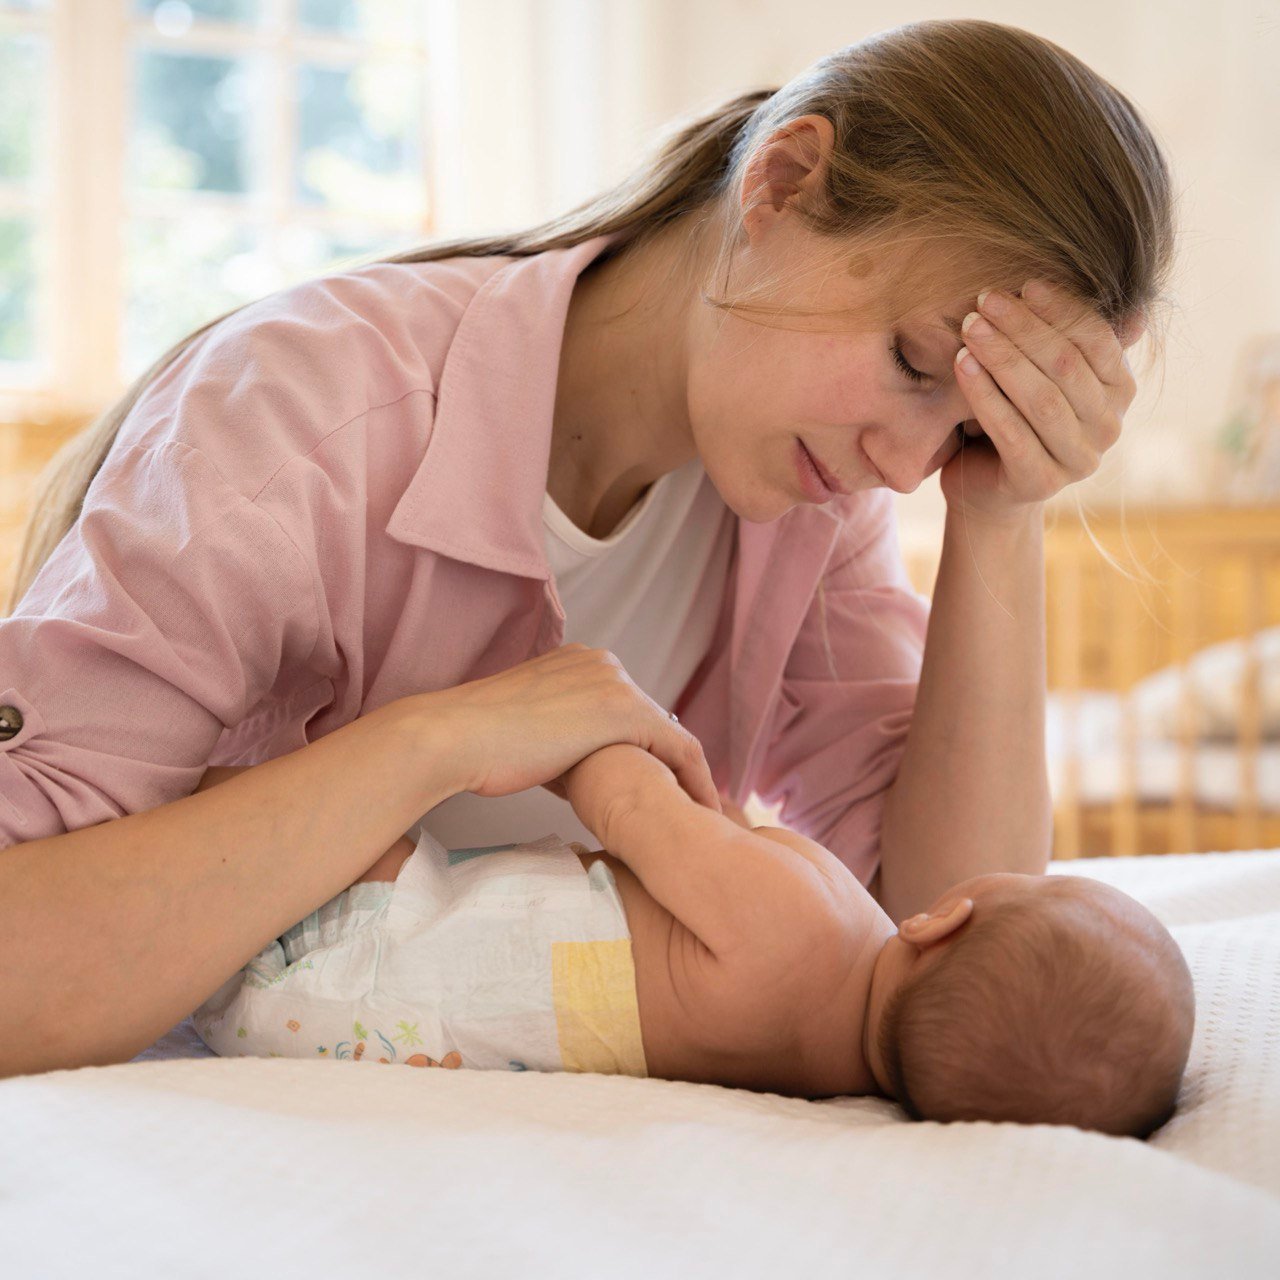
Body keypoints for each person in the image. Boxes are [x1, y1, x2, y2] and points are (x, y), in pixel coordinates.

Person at [0, 17, 1169, 1078]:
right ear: (783, 180)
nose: (908, 465)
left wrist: (1000, 511)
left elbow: (953, 948)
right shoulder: (294, 413)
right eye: (915, 364)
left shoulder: (810, 499)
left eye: (962, 426)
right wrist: (440, 740)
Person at [191, 739, 1196, 1138]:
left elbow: (631, 806)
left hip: (368, 938)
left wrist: (592, 721)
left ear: (938, 920)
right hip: (339, 1030)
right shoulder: (814, 1072)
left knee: (276, 784)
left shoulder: (813, 919)